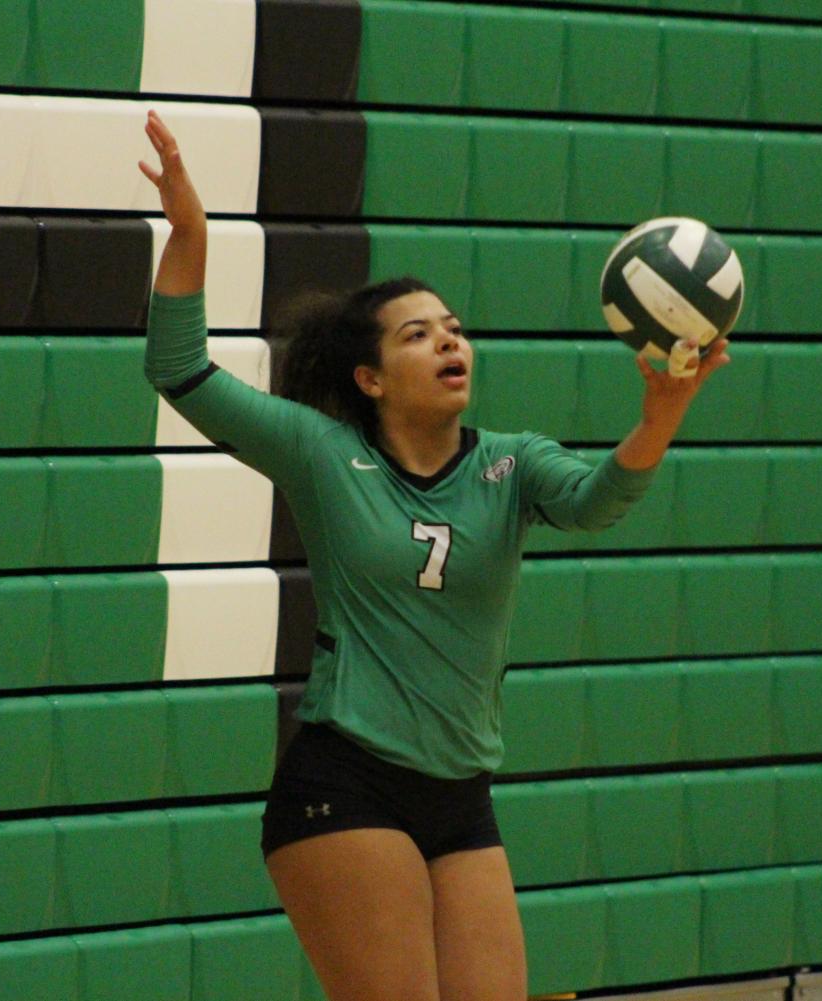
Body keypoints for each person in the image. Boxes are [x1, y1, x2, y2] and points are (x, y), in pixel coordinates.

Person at [137, 109, 727, 1001]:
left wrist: (661, 415)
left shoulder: (512, 462)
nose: (450, 340)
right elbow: (179, 368)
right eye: (418, 334)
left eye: (453, 327)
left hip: (462, 794)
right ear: (369, 378)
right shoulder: (322, 452)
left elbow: (596, 501)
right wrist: (190, 234)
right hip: (344, 781)